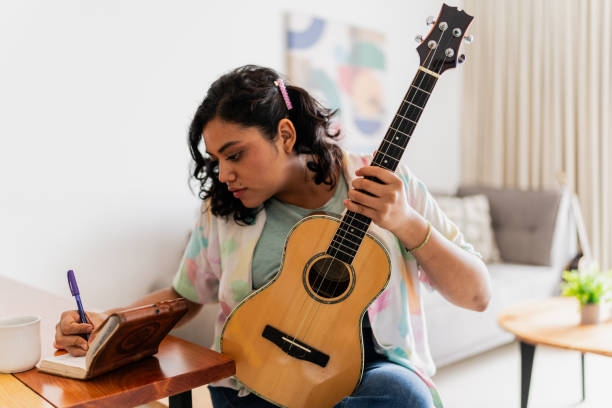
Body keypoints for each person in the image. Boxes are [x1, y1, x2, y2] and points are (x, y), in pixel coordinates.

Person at [54, 65, 491, 408]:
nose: (224, 175)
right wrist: (105, 322)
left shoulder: (384, 183)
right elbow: (184, 296)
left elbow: (477, 295)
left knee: (403, 397)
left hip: (364, 379)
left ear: (285, 134)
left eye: (236, 155)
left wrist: (408, 223)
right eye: (217, 160)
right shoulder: (224, 212)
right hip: (256, 385)